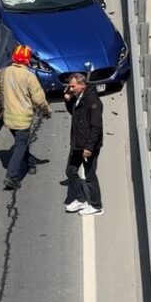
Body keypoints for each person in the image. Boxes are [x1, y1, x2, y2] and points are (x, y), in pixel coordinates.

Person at [0, 44, 51, 190]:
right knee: (20, 145)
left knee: (20, 142)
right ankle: (11, 176)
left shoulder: (3, 73)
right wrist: (47, 110)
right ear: (28, 61)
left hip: (8, 118)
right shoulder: (29, 76)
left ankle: (30, 163)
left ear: (13, 58)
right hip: (23, 119)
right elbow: (39, 99)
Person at [63, 74, 104, 216]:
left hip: (87, 146)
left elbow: (96, 127)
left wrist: (89, 147)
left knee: (90, 175)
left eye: (73, 86)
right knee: (70, 171)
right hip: (78, 143)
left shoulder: (92, 101)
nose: (70, 89)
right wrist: (68, 100)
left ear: (82, 85)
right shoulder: (79, 98)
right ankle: (81, 199)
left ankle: (96, 206)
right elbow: (75, 113)